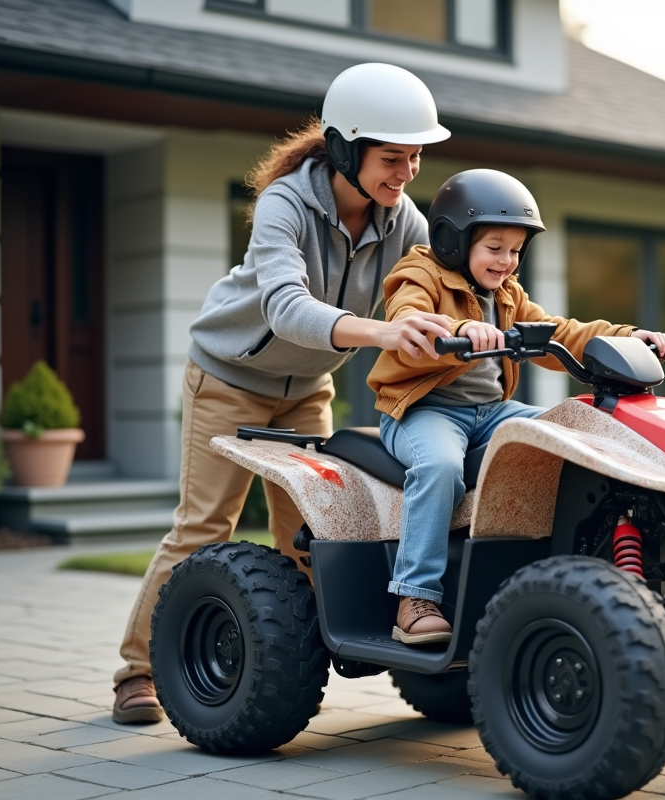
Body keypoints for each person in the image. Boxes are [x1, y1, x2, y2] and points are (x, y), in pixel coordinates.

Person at [112, 63, 458, 723]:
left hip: (306, 391)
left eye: (415, 157)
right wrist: (383, 332)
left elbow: (449, 283)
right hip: (229, 379)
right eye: (392, 158)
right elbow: (285, 307)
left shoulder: (403, 220)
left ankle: (286, 667)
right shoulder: (286, 203)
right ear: (346, 150)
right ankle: (138, 672)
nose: (407, 172)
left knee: (309, 534)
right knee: (204, 527)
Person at [367, 170, 665, 645]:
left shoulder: (507, 294)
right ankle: (415, 594)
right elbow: (409, 317)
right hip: (422, 411)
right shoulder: (418, 274)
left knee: (575, 431)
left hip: (491, 412)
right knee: (440, 467)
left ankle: (578, 571)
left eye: (515, 250)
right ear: (452, 240)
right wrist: (459, 329)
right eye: (495, 247)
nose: (506, 260)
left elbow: (560, 332)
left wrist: (627, 337)